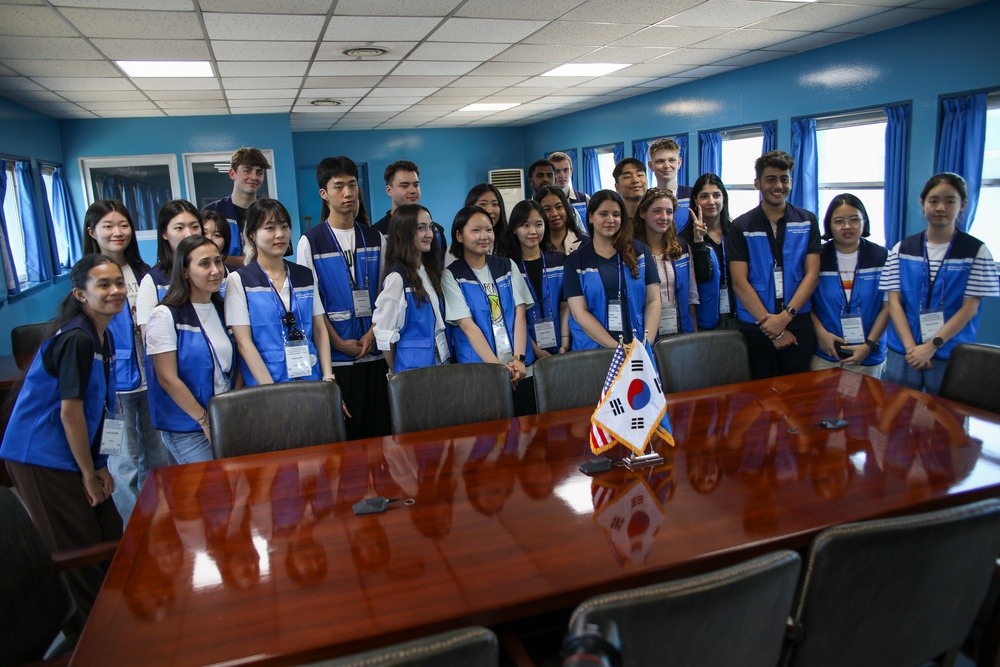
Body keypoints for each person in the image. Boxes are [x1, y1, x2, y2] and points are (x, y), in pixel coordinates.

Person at [1, 254, 125, 620]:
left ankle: (117, 614)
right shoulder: (77, 339)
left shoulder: (103, 335)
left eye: (118, 282)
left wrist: (101, 464)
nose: (115, 291)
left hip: (79, 453)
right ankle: (94, 634)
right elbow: (69, 413)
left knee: (110, 531)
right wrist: (88, 473)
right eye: (103, 285)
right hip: (42, 456)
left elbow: (100, 407)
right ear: (81, 295)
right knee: (78, 546)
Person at [81, 200, 170, 524]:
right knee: (124, 462)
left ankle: (161, 524)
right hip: (114, 390)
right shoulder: (88, 278)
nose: (118, 232)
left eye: (123, 225)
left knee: (159, 458)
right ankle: (135, 533)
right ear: (92, 232)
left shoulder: (146, 273)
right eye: (108, 226)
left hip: (153, 382)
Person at [880, 173, 999, 395]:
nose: (940, 207)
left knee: (946, 418)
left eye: (950, 201)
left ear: (962, 205)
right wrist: (912, 349)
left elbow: (969, 308)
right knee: (898, 416)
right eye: (933, 200)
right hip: (904, 350)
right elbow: (894, 303)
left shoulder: (976, 251)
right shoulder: (902, 249)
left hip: (949, 351)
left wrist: (931, 346)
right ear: (923, 203)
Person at [298, 156, 390, 439]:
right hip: (337, 359)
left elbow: (387, 294)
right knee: (346, 440)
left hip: (374, 355)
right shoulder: (311, 241)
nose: (348, 193)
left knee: (380, 436)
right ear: (324, 194)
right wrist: (337, 341)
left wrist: (373, 334)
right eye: (338, 187)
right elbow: (311, 302)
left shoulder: (375, 237)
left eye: (352, 185)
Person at [727, 150, 821, 379]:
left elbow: (812, 274)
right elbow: (739, 282)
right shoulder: (741, 226)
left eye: (784, 179)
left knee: (796, 391)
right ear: (757, 183)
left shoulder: (807, 221)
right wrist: (774, 330)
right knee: (759, 395)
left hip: (797, 321)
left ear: (791, 181)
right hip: (756, 324)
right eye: (771, 179)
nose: (778, 185)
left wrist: (785, 317)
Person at [146, 236, 234, 464]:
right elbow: (167, 378)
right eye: (204, 264)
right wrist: (205, 421)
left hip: (223, 419)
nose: (215, 270)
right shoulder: (166, 314)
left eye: (218, 262)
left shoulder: (222, 308)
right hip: (189, 425)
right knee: (211, 489)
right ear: (185, 271)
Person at [226, 199, 333, 386]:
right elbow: (244, 343)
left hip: (311, 378)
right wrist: (272, 391)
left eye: (284, 226)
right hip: (268, 385)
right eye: (269, 228)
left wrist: (328, 376)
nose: (280, 234)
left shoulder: (304, 275)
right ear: (252, 235)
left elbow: (319, 329)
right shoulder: (240, 280)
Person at [442, 206, 535, 416]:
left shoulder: (506, 266)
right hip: (481, 372)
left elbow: (520, 313)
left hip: (520, 369)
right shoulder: (452, 275)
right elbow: (467, 326)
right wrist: (498, 370)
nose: (484, 236)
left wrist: (519, 360)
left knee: (526, 434)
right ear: (459, 235)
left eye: (489, 230)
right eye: (476, 230)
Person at [564, 190, 660, 349]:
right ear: (590, 217)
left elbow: (653, 300)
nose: (610, 220)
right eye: (603, 214)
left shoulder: (640, 252)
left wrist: (647, 342)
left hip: (638, 346)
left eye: (616, 214)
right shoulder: (575, 262)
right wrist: (616, 346)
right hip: (595, 351)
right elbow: (579, 313)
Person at [809, 194, 890, 378]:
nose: (847, 226)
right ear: (829, 225)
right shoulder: (817, 257)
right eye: (839, 221)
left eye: (854, 219)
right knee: (822, 405)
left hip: (867, 354)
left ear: (864, 221)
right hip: (826, 352)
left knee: (865, 406)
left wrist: (869, 345)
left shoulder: (882, 256)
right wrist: (821, 333)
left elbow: (888, 307)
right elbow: (806, 303)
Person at [372, 204, 450, 373]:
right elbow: (385, 335)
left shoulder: (428, 270)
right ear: (401, 233)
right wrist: (397, 372)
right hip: (412, 372)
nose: (429, 234)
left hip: (440, 363)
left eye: (430, 227)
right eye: (421, 228)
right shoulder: (397, 278)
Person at [502, 199, 570, 356]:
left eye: (539, 224)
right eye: (526, 225)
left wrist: (565, 343)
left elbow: (566, 304)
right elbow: (512, 316)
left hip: (562, 347)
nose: (533, 231)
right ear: (514, 229)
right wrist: (537, 350)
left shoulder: (559, 261)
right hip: (526, 351)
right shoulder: (508, 268)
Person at [632, 188, 700, 337]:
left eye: (669, 212)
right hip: (646, 331)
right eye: (657, 211)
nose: (664, 217)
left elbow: (692, 297)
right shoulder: (631, 252)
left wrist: (694, 336)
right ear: (643, 213)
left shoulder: (681, 248)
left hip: (680, 329)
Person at [135, 199, 202, 340]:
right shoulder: (153, 281)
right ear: (164, 233)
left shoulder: (214, 272)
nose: (189, 234)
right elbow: (150, 341)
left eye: (195, 227)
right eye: (179, 228)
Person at [682, 173, 738, 331]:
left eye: (716, 195)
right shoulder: (685, 239)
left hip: (738, 315)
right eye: (704, 196)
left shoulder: (736, 232)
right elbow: (701, 278)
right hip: (706, 319)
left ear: (724, 198)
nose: (711, 202)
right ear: (695, 200)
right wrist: (698, 242)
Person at [203, 146, 271, 268]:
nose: (254, 177)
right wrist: (243, 261)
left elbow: (277, 254)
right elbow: (202, 253)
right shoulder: (213, 212)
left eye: (259, 172)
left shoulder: (269, 211)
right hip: (221, 280)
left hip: (260, 282)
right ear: (232, 174)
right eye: (247, 171)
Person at [647, 137, 693, 234]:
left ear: (679, 163)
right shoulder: (646, 199)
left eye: (671, 160)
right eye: (660, 161)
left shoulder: (692, 195)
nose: (667, 166)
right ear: (651, 166)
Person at [534, 185, 586, 255]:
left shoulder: (585, 244)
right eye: (547, 209)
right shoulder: (535, 246)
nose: (554, 214)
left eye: (559, 207)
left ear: (566, 209)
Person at [464, 183, 508, 255]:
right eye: (483, 204)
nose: (490, 211)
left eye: (495, 204)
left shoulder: (510, 243)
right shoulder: (458, 248)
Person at [200, 208, 232, 298]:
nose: (209, 239)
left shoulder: (235, 275)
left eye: (217, 235)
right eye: (204, 233)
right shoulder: (186, 274)